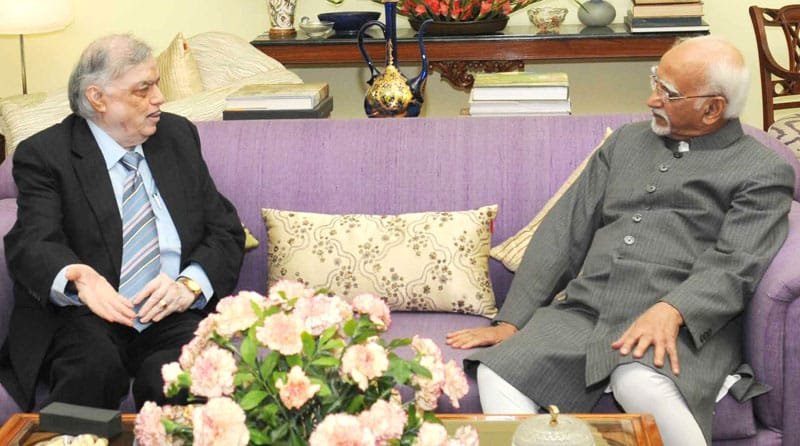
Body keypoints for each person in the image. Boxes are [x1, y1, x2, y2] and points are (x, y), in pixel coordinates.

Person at [446, 36, 795, 446]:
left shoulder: (763, 169)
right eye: (655, 81)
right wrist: (512, 320)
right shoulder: (625, 143)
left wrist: (674, 308)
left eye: (668, 92)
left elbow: (737, 261)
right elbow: (565, 231)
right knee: (498, 370)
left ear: (712, 108)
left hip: (678, 322)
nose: (651, 99)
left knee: (637, 381)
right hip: (586, 309)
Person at [0, 34, 245, 412]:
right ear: (98, 98)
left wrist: (189, 286)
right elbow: (31, 241)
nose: (159, 98)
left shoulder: (177, 136)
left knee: (183, 374)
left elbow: (224, 229)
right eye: (142, 89)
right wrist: (78, 276)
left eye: (156, 84)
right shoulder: (46, 154)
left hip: (169, 311)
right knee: (92, 369)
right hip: (87, 314)